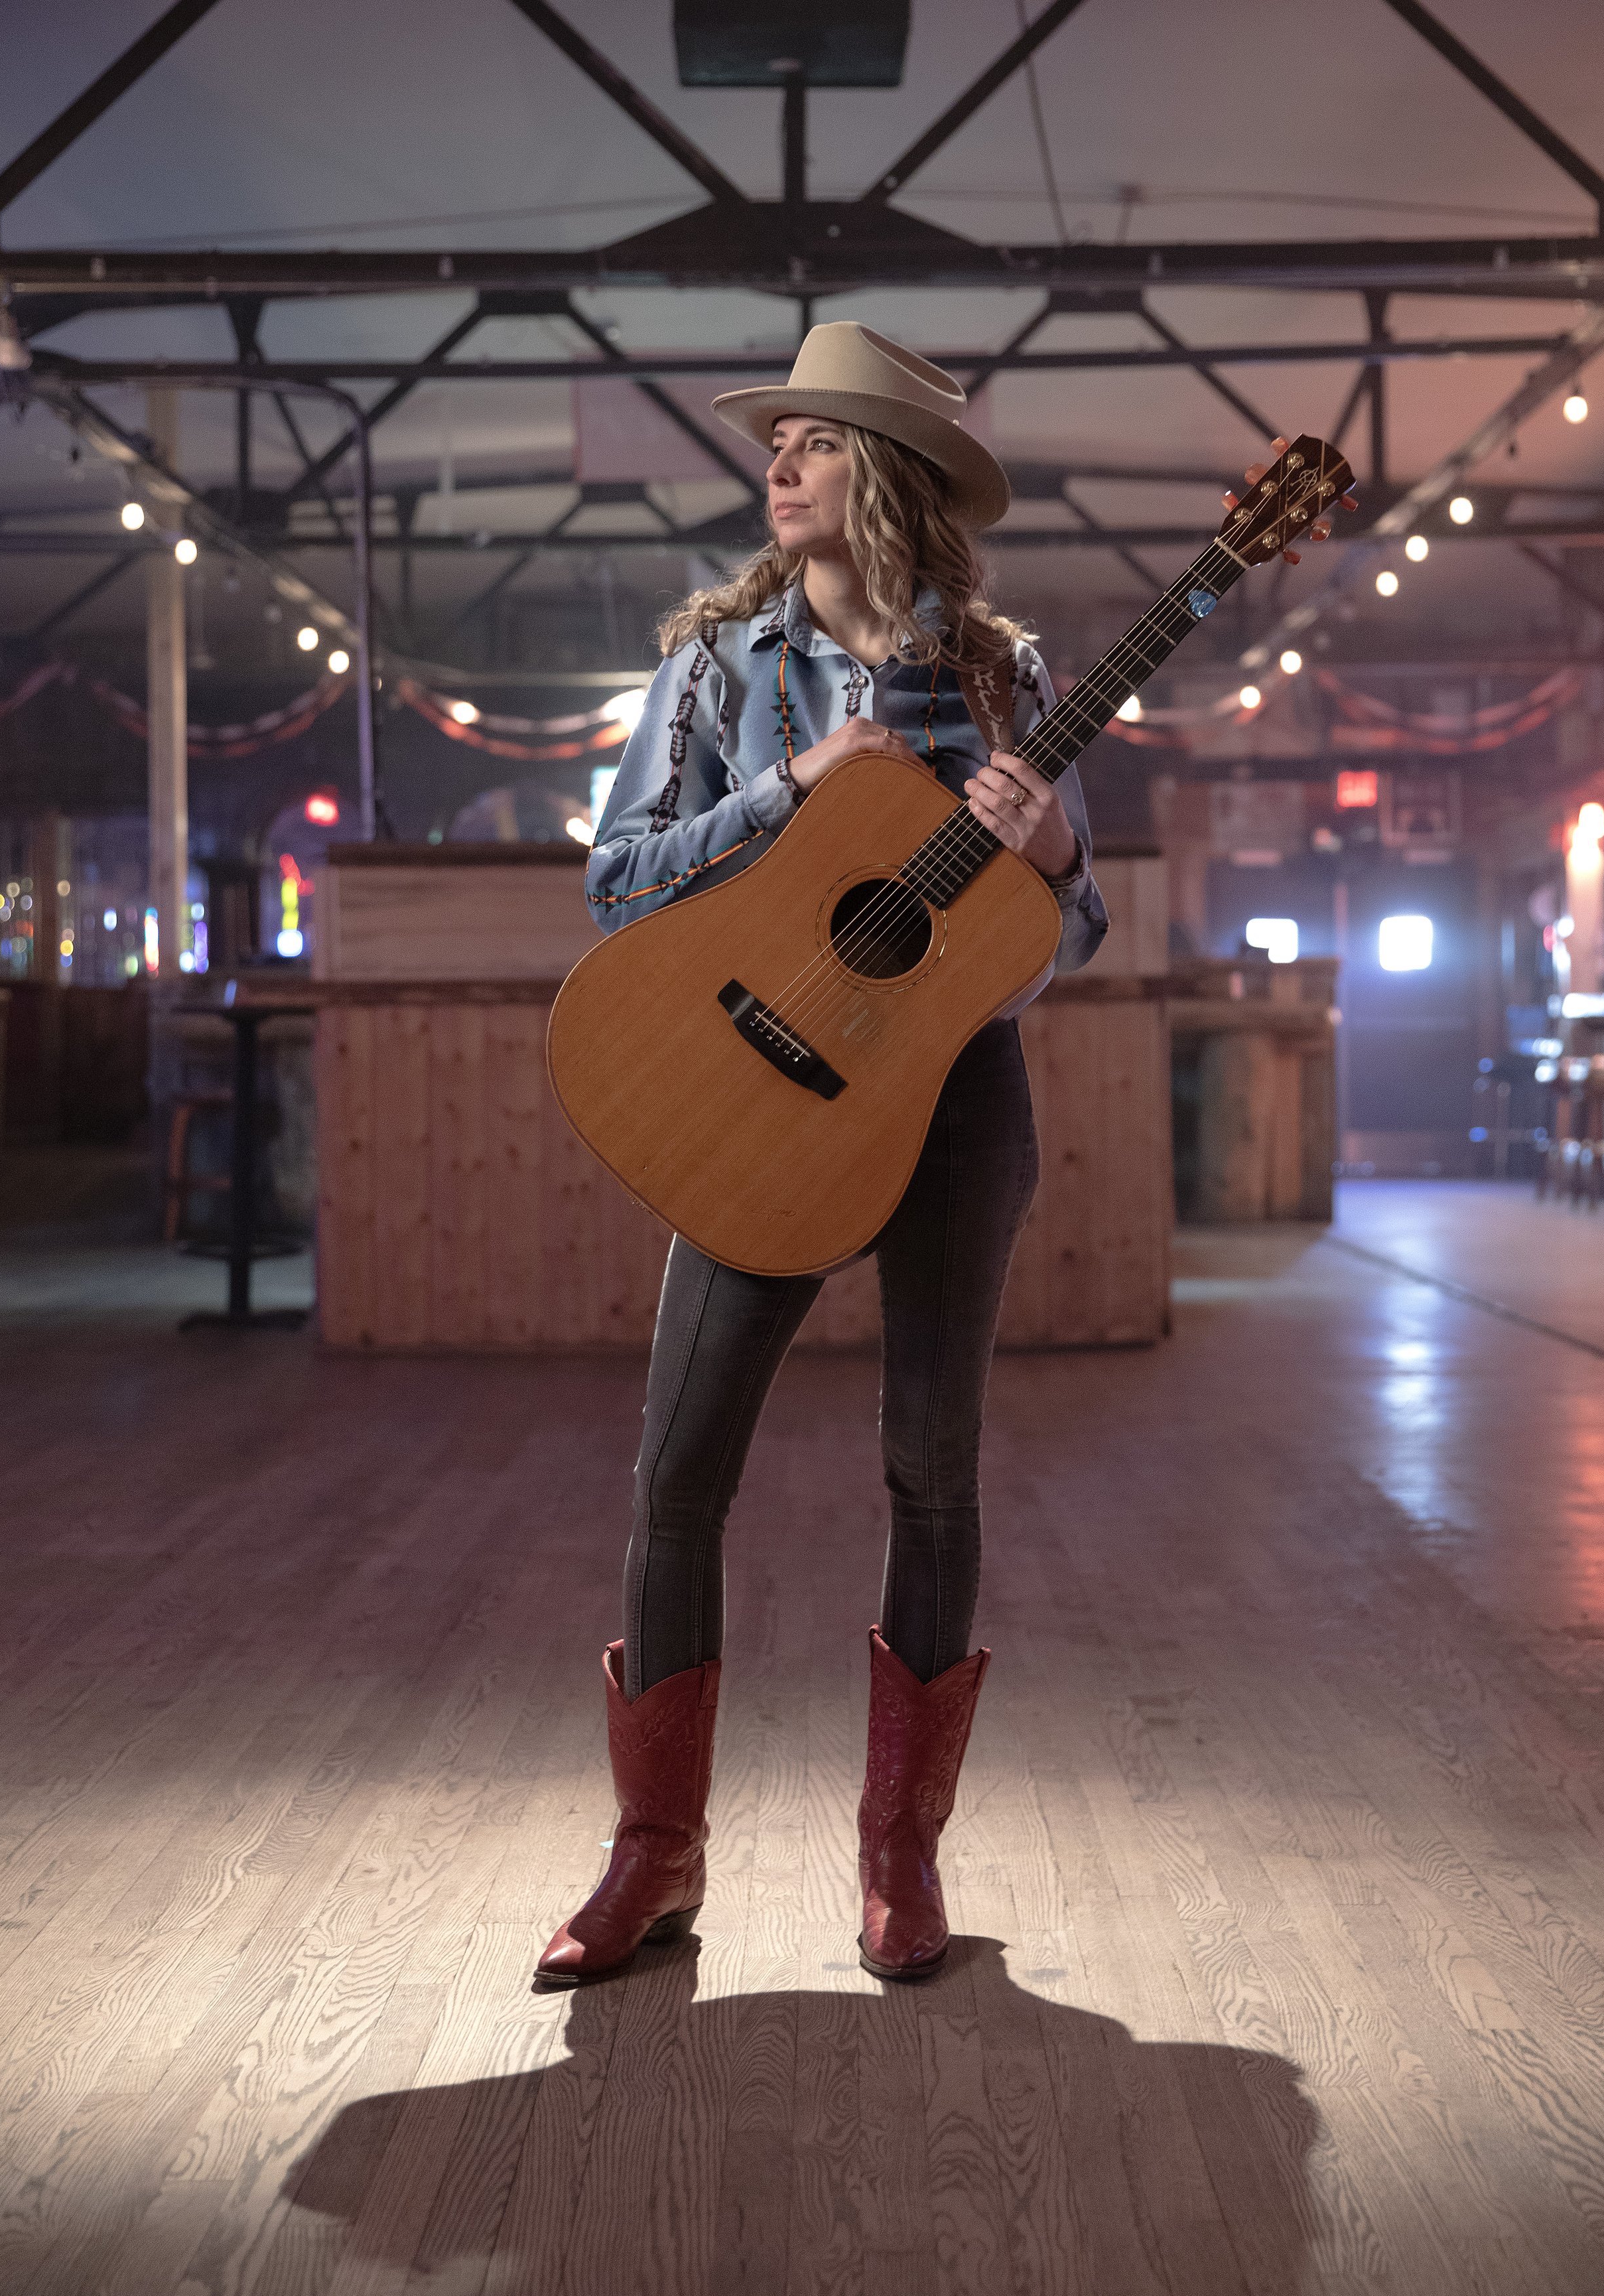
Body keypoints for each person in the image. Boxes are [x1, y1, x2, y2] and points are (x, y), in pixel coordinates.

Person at [534, 326, 1324, 1991]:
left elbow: (1070, 935)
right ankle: (650, 1856)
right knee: (678, 1475)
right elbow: (615, 883)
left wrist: (1041, 863)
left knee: (931, 1470)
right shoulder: (715, 668)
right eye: (782, 439)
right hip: (756, 1094)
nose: (781, 463)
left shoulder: (1003, 679)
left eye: (816, 441)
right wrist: (789, 795)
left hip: (953, 1104)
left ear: (881, 475)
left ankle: (899, 1858)